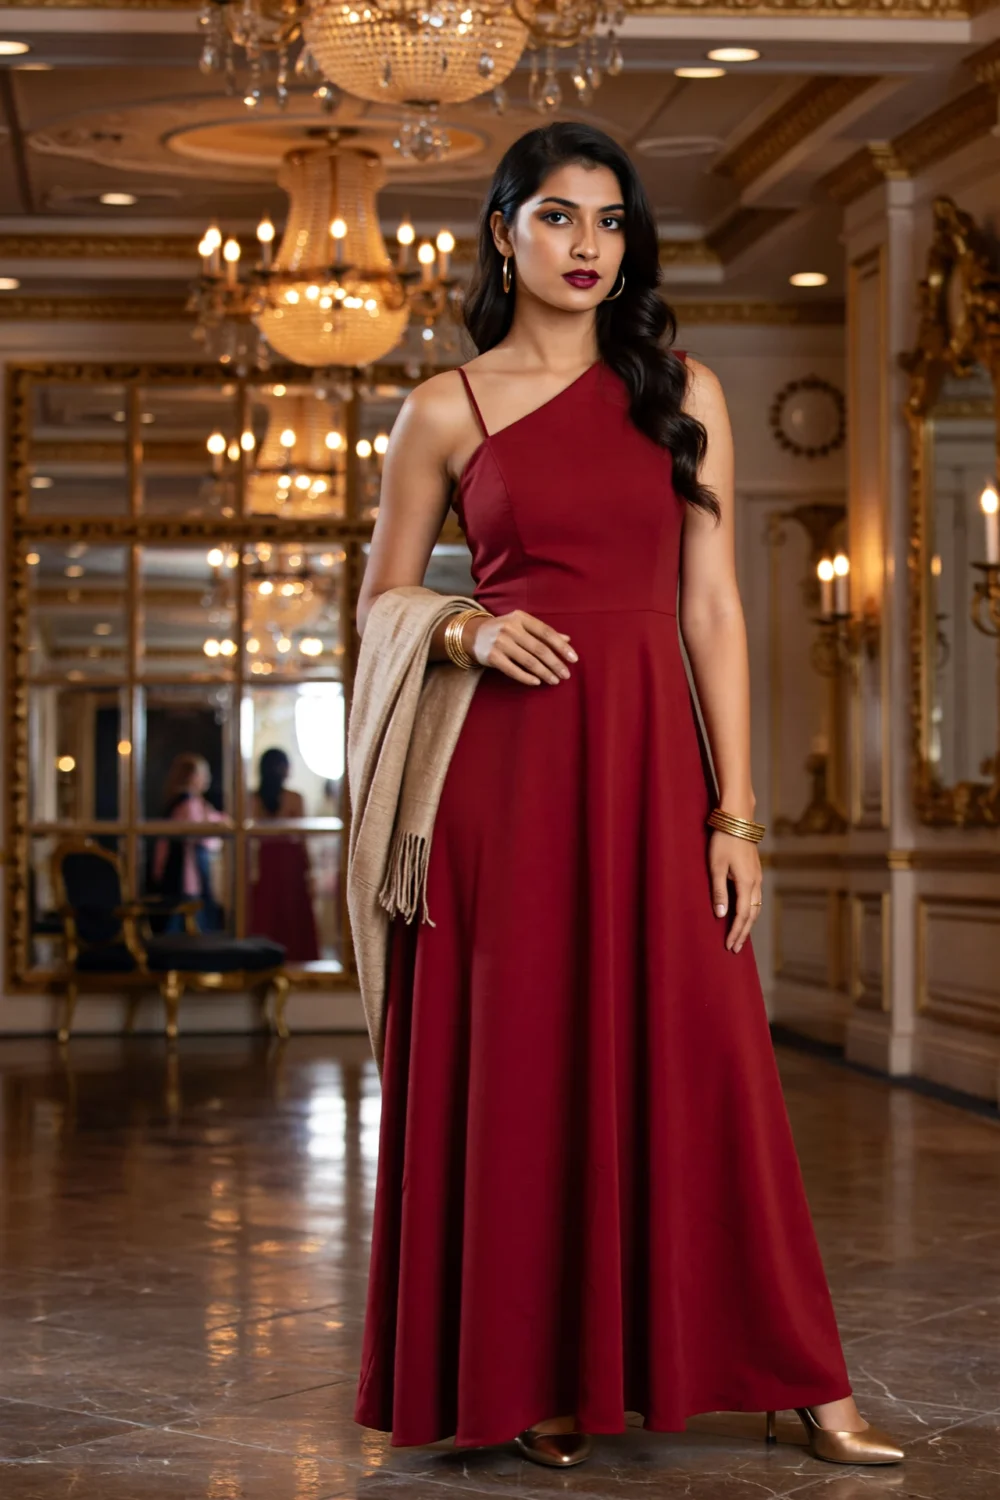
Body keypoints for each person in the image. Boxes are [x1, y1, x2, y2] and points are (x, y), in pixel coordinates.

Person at [352, 124, 903, 1470]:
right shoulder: (442, 406)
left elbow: (712, 608)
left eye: (609, 220)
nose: (587, 244)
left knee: (709, 1053)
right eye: (555, 216)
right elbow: (375, 603)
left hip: (656, 771)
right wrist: (468, 632)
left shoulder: (683, 390)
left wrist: (741, 812)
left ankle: (798, 1374)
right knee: (524, 1064)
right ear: (501, 234)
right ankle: (537, 1375)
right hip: (500, 778)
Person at [248, 747, 320, 963]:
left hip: (266, 858)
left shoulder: (253, 799)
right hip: (289, 859)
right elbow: (302, 838)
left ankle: (263, 959)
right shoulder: (294, 798)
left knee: (268, 909)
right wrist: (309, 868)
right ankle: (296, 956)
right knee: (291, 910)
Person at [150, 752, 225, 932]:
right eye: (203, 774)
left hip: (179, 876)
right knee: (188, 926)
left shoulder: (179, 803)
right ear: (193, 776)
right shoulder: (189, 805)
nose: (207, 779)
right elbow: (208, 838)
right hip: (186, 877)